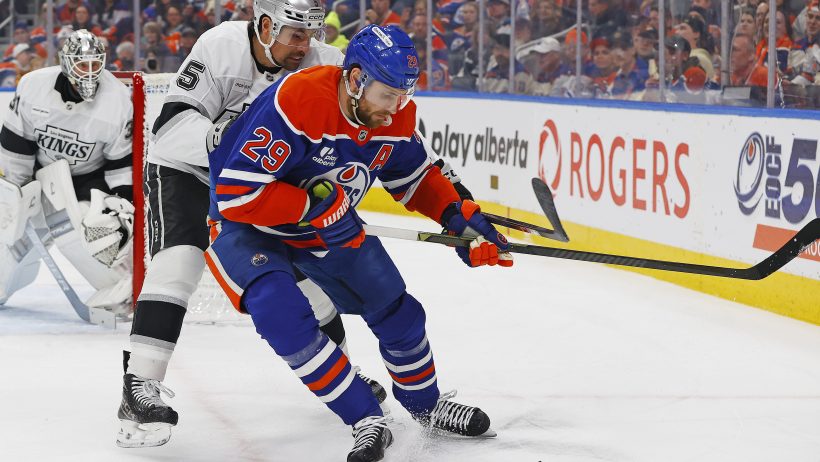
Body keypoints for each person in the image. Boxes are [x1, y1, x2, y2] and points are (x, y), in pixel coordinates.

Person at [206, 24, 510, 461]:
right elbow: (237, 194)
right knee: (280, 314)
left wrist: (457, 220)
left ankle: (426, 406)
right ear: (354, 79)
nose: (395, 109)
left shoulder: (394, 115)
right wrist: (312, 208)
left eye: (403, 96)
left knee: (399, 312)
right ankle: (365, 418)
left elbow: (417, 176)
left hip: (326, 224)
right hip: (247, 224)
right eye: (387, 95)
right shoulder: (300, 101)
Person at [114, 0, 387, 449]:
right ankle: (139, 386)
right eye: (294, 35)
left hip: (259, 183)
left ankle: (341, 368)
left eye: (311, 34)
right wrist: (230, 142)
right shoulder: (220, 46)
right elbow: (171, 127)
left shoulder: (325, 63)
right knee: (180, 260)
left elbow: (369, 117)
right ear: (264, 25)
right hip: (189, 170)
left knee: (306, 271)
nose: (306, 45)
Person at [0, 29, 135, 310]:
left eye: (95, 64)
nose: (89, 72)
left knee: (93, 228)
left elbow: (120, 161)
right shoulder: (34, 86)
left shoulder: (118, 100)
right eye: (82, 65)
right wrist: (16, 191)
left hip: (89, 178)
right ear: (65, 62)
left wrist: (122, 198)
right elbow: (16, 142)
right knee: (10, 235)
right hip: (40, 171)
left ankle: (121, 287)